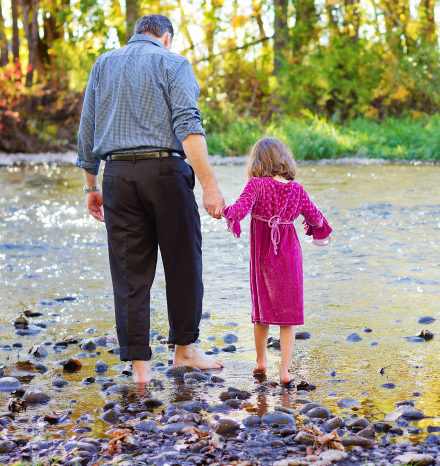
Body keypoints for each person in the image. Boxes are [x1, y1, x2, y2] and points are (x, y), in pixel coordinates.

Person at [76, 14, 225, 383]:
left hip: (117, 177)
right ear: (166, 38)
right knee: (182, 262)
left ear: (137, 33)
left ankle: (141, 370)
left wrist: (91, 185)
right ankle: (185, 352)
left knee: (129, 274)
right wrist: (210, 185)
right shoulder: (173, 62)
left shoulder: (104, 63)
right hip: (165, 172)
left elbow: (87, 126)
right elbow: (188, 124)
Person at [222, 137, 332, 386]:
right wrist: (309, 225)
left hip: (263, 256)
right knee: (288, 316)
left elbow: (238, 211)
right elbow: (317, 218)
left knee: (261, 312)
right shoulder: (297, 190)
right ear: (285, 160)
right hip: (290, 256)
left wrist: (223, 211)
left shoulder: (256, 185)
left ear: (258, 162)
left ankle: (260, 362)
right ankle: (284, 370)